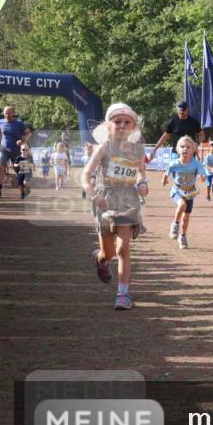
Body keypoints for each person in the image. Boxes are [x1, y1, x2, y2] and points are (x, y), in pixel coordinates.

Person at [81, 103, 149, 310]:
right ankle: (100, 259)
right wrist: (92, 195)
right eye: (117, 122)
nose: (121, 126)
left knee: (123, 248)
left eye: (126, 122)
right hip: (105, 201)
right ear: (109, 126)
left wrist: (142, 183)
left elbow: (140, 172)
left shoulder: (137, 150)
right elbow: (85, 174)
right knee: (108, 252)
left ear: (133, 127)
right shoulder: (103, 148)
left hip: (128, 202)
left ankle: (123, 293)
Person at [163, 136, 208, 249]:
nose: (185, 149)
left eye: (188, 147)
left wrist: (203, 177)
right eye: (182, 147)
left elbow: (202, 174)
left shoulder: (196, 164)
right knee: (181, 205)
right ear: (178, 149)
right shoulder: (174, 163)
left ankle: (182, 236)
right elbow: (167, 172)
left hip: (189, 192)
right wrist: (165, 179)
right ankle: (175, 224)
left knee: (186, 218)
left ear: (193, 150)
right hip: (177, 190)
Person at [146, 101, 204, 165]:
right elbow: (165, 136)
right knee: (176, 174)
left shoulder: (193, 122)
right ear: (177, 109)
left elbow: (202, 135)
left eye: (183, 110)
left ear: (187, 109)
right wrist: (154, 149)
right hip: (176, 153)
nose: (181, 112)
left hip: (189, 154)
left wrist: (197, 143)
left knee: (188, 174)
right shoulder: (173, 121)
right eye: (180, 110)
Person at [0, 105, 31, 198]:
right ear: (3, 113)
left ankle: (25, 189)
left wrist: (23, 141)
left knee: (20, 170)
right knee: (0, 167)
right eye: (5, 112)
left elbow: (28, 132)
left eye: (9, 112)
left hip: (16, 150)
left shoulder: (19, 123)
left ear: (13, 113)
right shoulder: (1, 121)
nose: (7, 114)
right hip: (4, 148)